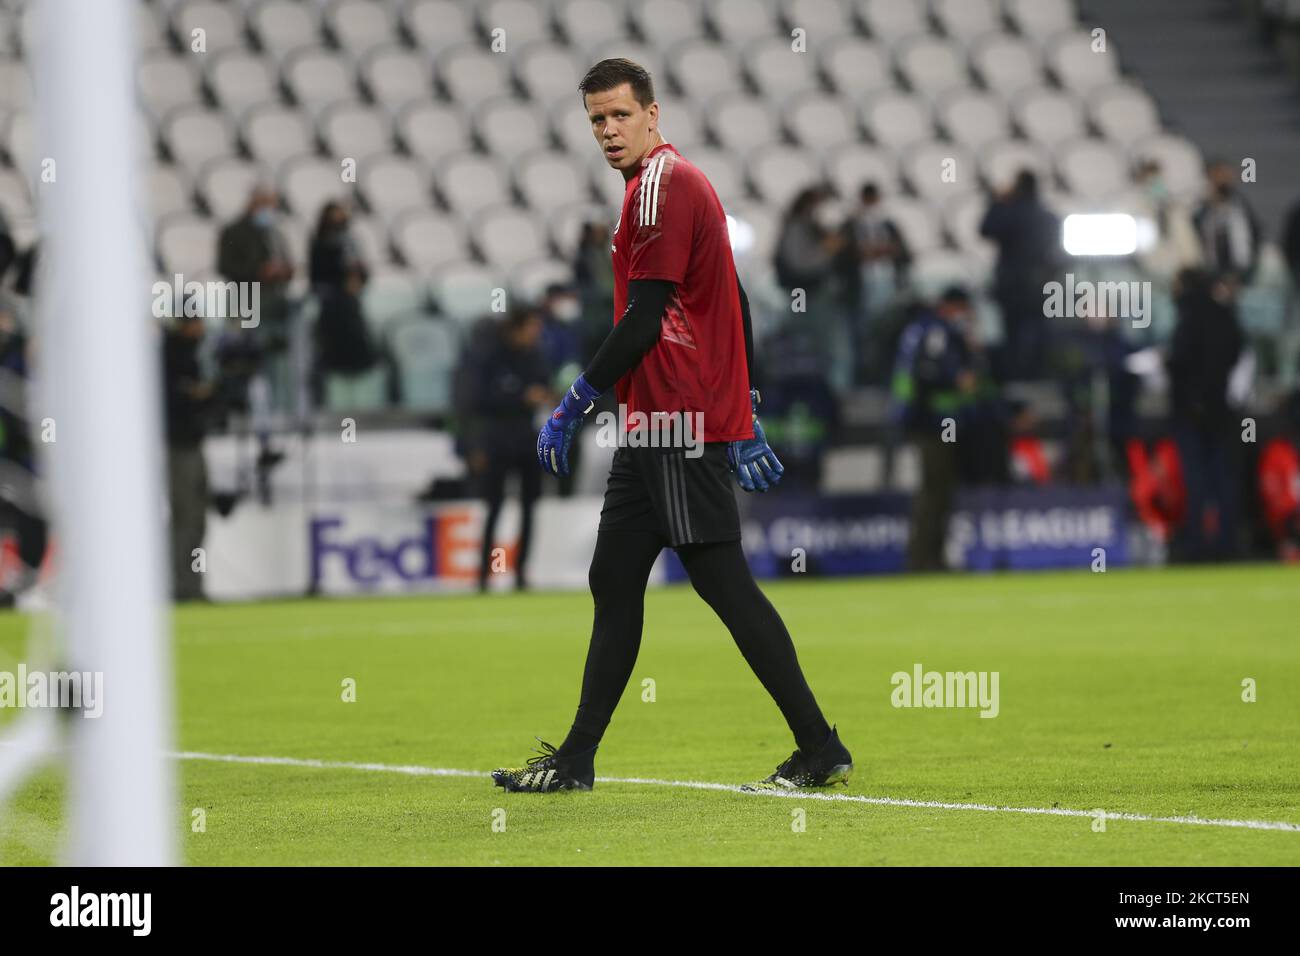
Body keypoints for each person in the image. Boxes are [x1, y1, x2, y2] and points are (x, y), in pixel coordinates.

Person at [492, 58, 851, 794]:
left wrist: (576, 398)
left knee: (724, 585)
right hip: (656, 421)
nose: (608, 130)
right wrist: (743, 404)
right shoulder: (661, 185)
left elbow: (645, 318)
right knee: (614, 578)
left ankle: (819, 747)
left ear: (652, 114)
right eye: (596, 119)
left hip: (677, 420)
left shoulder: (657, 186)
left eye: (620, 115)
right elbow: (733, 295)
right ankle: (577, 759)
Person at [890, 287, 979, 572]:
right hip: (931, 423)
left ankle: (931, 557)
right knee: (933, 491)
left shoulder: (921, 329)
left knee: (938, 490)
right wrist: (956, 379)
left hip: (927, 421)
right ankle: (923, 559)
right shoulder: (936, 332)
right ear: (952, 306)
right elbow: (927, 373)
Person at [464, 305, 551, 592]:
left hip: (527, 441)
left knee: (529, 507)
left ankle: (521, 573)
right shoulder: (490, 356)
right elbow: (477, 400)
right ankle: (483, 576)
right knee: (495, 507)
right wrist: (520, 396)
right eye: (532, 328)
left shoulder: (536, 357)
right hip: (497, 441)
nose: (536, 334)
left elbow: (545, 389)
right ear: (517, 327)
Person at [1167, 268, 1246, 562]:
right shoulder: (1226, 316)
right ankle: (1227, 542)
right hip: (1223, 410)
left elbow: (1182, 362)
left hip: (1191, 412)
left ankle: (1197, 544)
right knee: (1223, 478)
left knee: (1195, 480)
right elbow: (1237, 354)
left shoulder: (1188, 318)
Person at [979, 170, 1061, 380]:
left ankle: (1015, 376)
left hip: (1012, 286)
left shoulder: (1009, 214)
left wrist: (997, 201)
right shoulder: (1048, 217)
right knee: (1041, 333)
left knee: (1012, 334)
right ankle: (1040, 374)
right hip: (1041, 286)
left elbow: (985, 230)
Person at [162, 312, 215, 601]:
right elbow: (170, 399)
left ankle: (193, 585)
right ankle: (179, 587)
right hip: (177, 447)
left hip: (194, 444)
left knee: (197, 519)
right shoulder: (169, 356)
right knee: (184, 518)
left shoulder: (195, 354)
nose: (202, 327)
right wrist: (194, 394)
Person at [1192, 160, 1260, 287]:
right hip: (1212, 274)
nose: (1225, 180)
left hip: (1241, 273)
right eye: (1220, 175)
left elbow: (1254, 235)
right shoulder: (1201, 210)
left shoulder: (1241, 206)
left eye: (1227, 176)